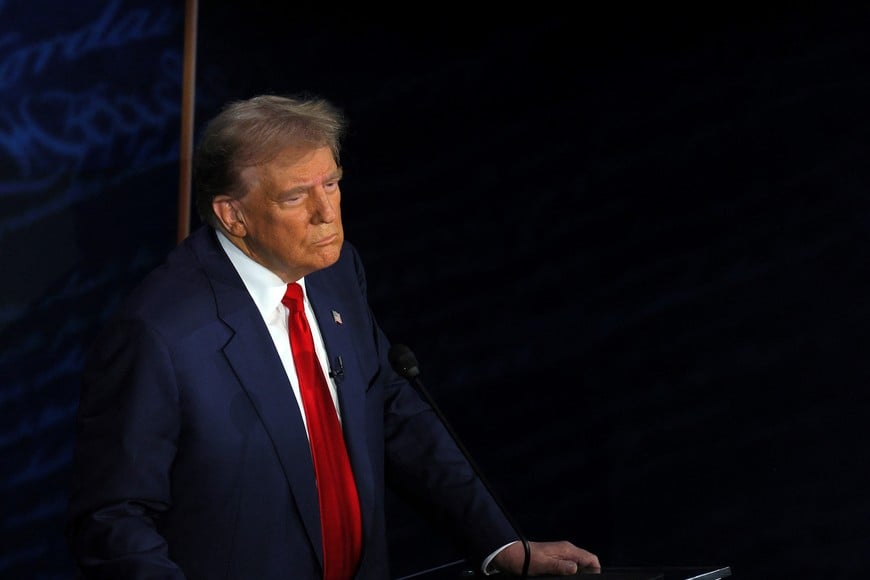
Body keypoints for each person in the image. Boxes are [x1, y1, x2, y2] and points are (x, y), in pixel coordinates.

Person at [65, 93, 601, 579]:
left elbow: (391, 410)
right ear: (234, 215)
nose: (327, 213)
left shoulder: (337, 271)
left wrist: (500, 542)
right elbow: (114, 519)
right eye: (296, 197)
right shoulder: (159, 331)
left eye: (332, 183)